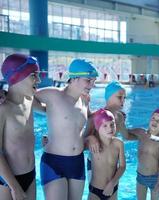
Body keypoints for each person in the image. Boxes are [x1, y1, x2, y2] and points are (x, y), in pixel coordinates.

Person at [35, 59, 98, 200]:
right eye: (88, 80)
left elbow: (89, 118)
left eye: (93, 81)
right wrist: (46, 110)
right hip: (54, 162)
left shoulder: (84, 100)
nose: (92, 85)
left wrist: (110, 114)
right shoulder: (54, 94)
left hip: (77, 162)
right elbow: (27, 97)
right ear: (74, 78)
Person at [0, 54, 43, 200]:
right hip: (7, 181)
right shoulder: (3, 110)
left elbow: (51, 109)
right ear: (17, 77)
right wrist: (15, 187)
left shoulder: (30, 100)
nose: (39, 80)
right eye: (34, 75)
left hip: (30, 175)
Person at [120, 108, 159, 200]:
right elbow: (126, 136)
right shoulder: (141, 133)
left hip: (154, 178)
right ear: (149, 119)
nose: (155, 122)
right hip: (140, 176)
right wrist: (121, 122)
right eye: (153, 118)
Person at [86, 81, 127, 173]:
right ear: (108, 97)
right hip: (95, 162)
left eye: (125, 98)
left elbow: (126, 136)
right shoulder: (95, 116)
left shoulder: (120, 117)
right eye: (119, 97)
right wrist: (91, 138)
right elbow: (83, 139)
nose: (123, 101)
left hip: (112, 161)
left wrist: (144, 134)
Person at [87, 109, 126, 200]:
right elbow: (76, 143)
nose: (110, 128)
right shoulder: (93, 143)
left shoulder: (119, 144)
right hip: (95, 191)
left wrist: (112, 183)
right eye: (105, 125)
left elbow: (122, 166)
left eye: (112, 124)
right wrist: (90, 137)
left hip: (113, 189)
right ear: (97, 128)